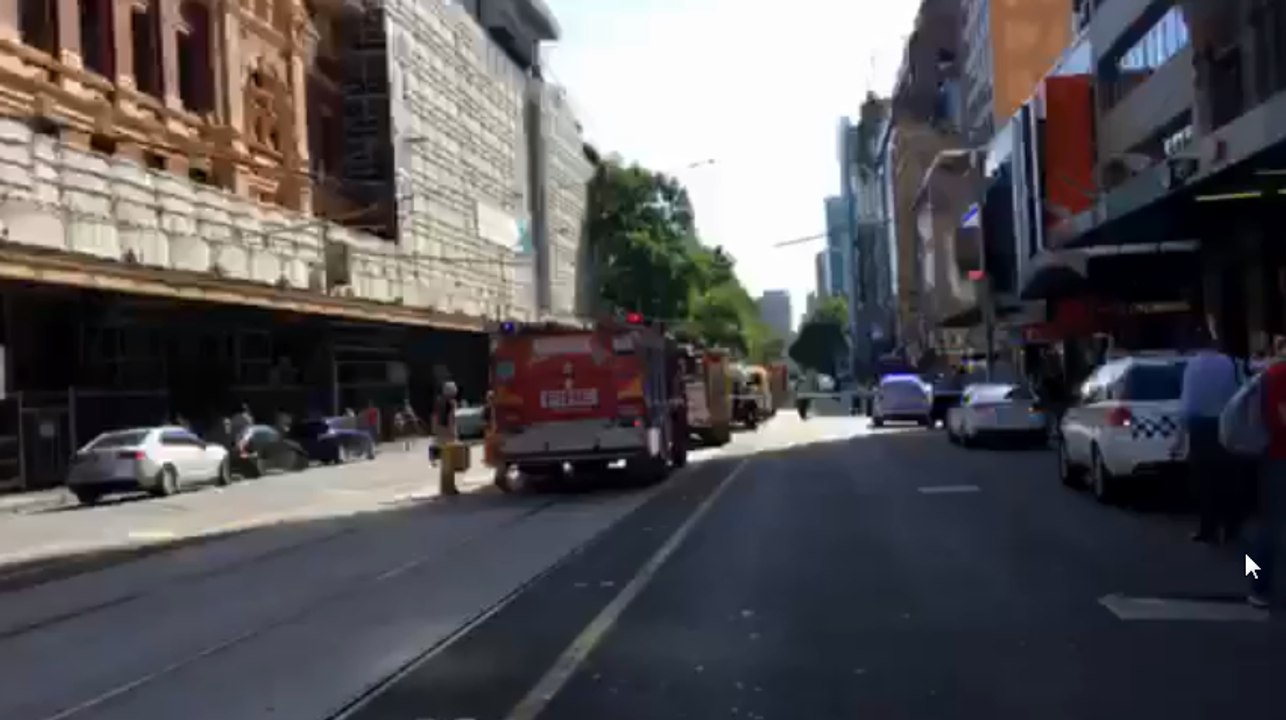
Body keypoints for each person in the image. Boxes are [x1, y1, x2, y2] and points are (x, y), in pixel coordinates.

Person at [1176, 322, 1245, 544]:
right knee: (1228, 478)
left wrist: (1179, 439)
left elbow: (1187, 404)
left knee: (1204, 482)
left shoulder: (1192, 367)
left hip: (1200, 429)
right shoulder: (1229, 363)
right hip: (1225, 425)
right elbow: (1239, 394)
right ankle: (1231, 527)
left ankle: (1208, 528)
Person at [1247, 357, 1286, 608]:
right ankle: (1256, 584)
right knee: (1270, 527)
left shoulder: (1274, 373)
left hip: (1276, 458)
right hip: (1279, 459)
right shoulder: (1279, 375)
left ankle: (1257, 583)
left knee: (1269, 526)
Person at [430, 382, 459, 467]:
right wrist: (452, 429)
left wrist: (434, 426)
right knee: (450, 443)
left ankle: (434, 460)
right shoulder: (451, 403)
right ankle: (450, 462)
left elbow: (434, 414)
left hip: (439, 424)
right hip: (446, 425)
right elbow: (451, 416)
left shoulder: (439, 400)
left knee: (438, 442)